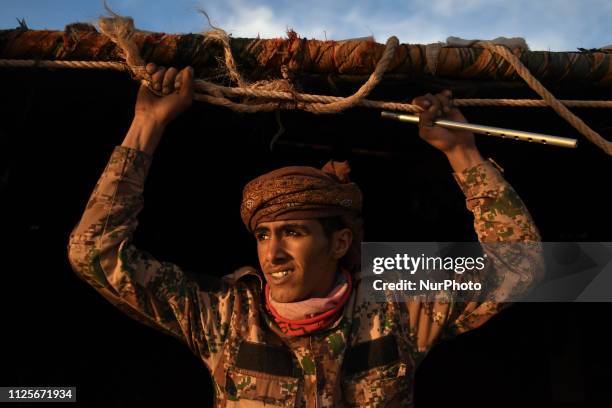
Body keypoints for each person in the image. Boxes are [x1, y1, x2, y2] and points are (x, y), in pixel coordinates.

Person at [68, 63, 544, 407]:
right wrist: (145, 126)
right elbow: (94, 252)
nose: (272, 252)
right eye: (263, 235)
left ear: (338, 243)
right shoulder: (223, 313)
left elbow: (519, 268)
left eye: (292, 232)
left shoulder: (398, 301)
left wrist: (462, 153)